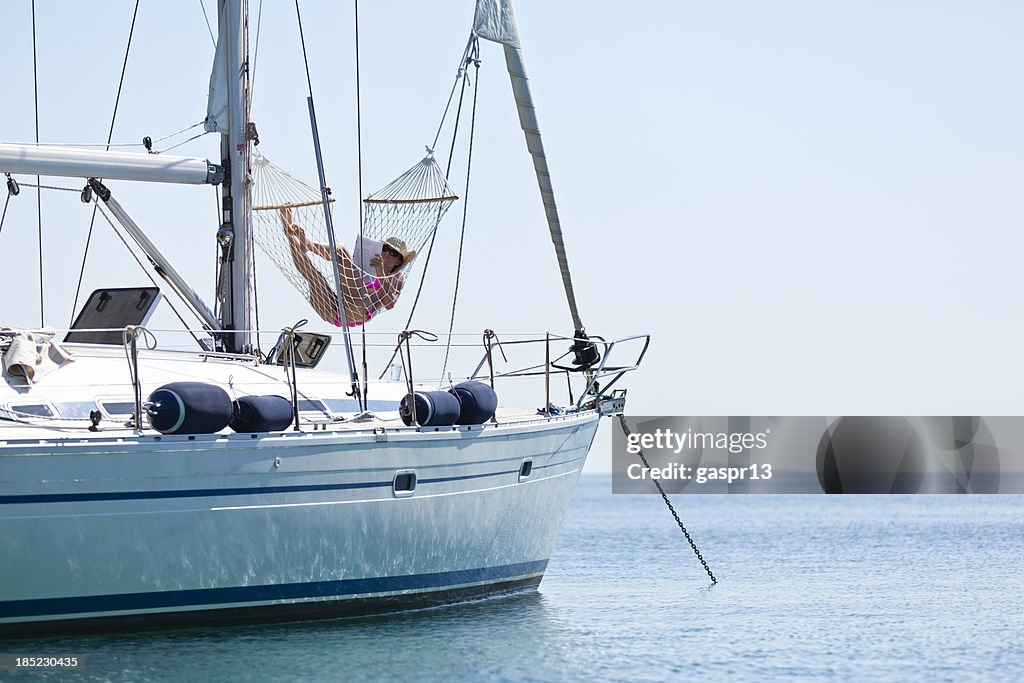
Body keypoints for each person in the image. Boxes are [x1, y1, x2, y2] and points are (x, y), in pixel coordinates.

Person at [279, 206, 415, 327]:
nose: (386, 253)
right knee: (314, 276)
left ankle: (308, 244)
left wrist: (380, 273)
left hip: (356, 311)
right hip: (334, 308)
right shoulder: (367, 263)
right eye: (385, 248)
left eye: (393, 252)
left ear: (399, 261)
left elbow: (389, 304)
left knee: (341, 251)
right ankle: (288, 231)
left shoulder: (396, 278)